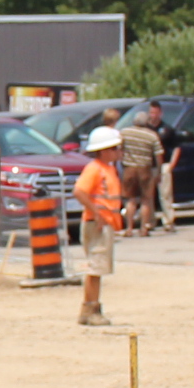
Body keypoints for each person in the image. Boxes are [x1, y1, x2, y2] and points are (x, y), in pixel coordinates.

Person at [72, 125, 124, 326]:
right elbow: (79, 191)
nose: (119, 152)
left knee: (99, 268)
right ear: (103, 150)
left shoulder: (108, 169)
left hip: (104, 223)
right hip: (96, 224)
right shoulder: (94, 169)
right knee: (95, 267)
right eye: (114, 148)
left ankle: (91, 307)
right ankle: (90, 309)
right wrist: (96, 212)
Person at [110, 105, 162, 236]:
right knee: (145, 199)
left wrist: (116, 165)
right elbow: (159, 155)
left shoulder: (125, 133)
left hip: (129, 169)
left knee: (130, 200)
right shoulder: (152, 136)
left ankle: (129, 228)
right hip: (145, 169)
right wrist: (159, 171)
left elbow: (119, 150)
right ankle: (144, 228)